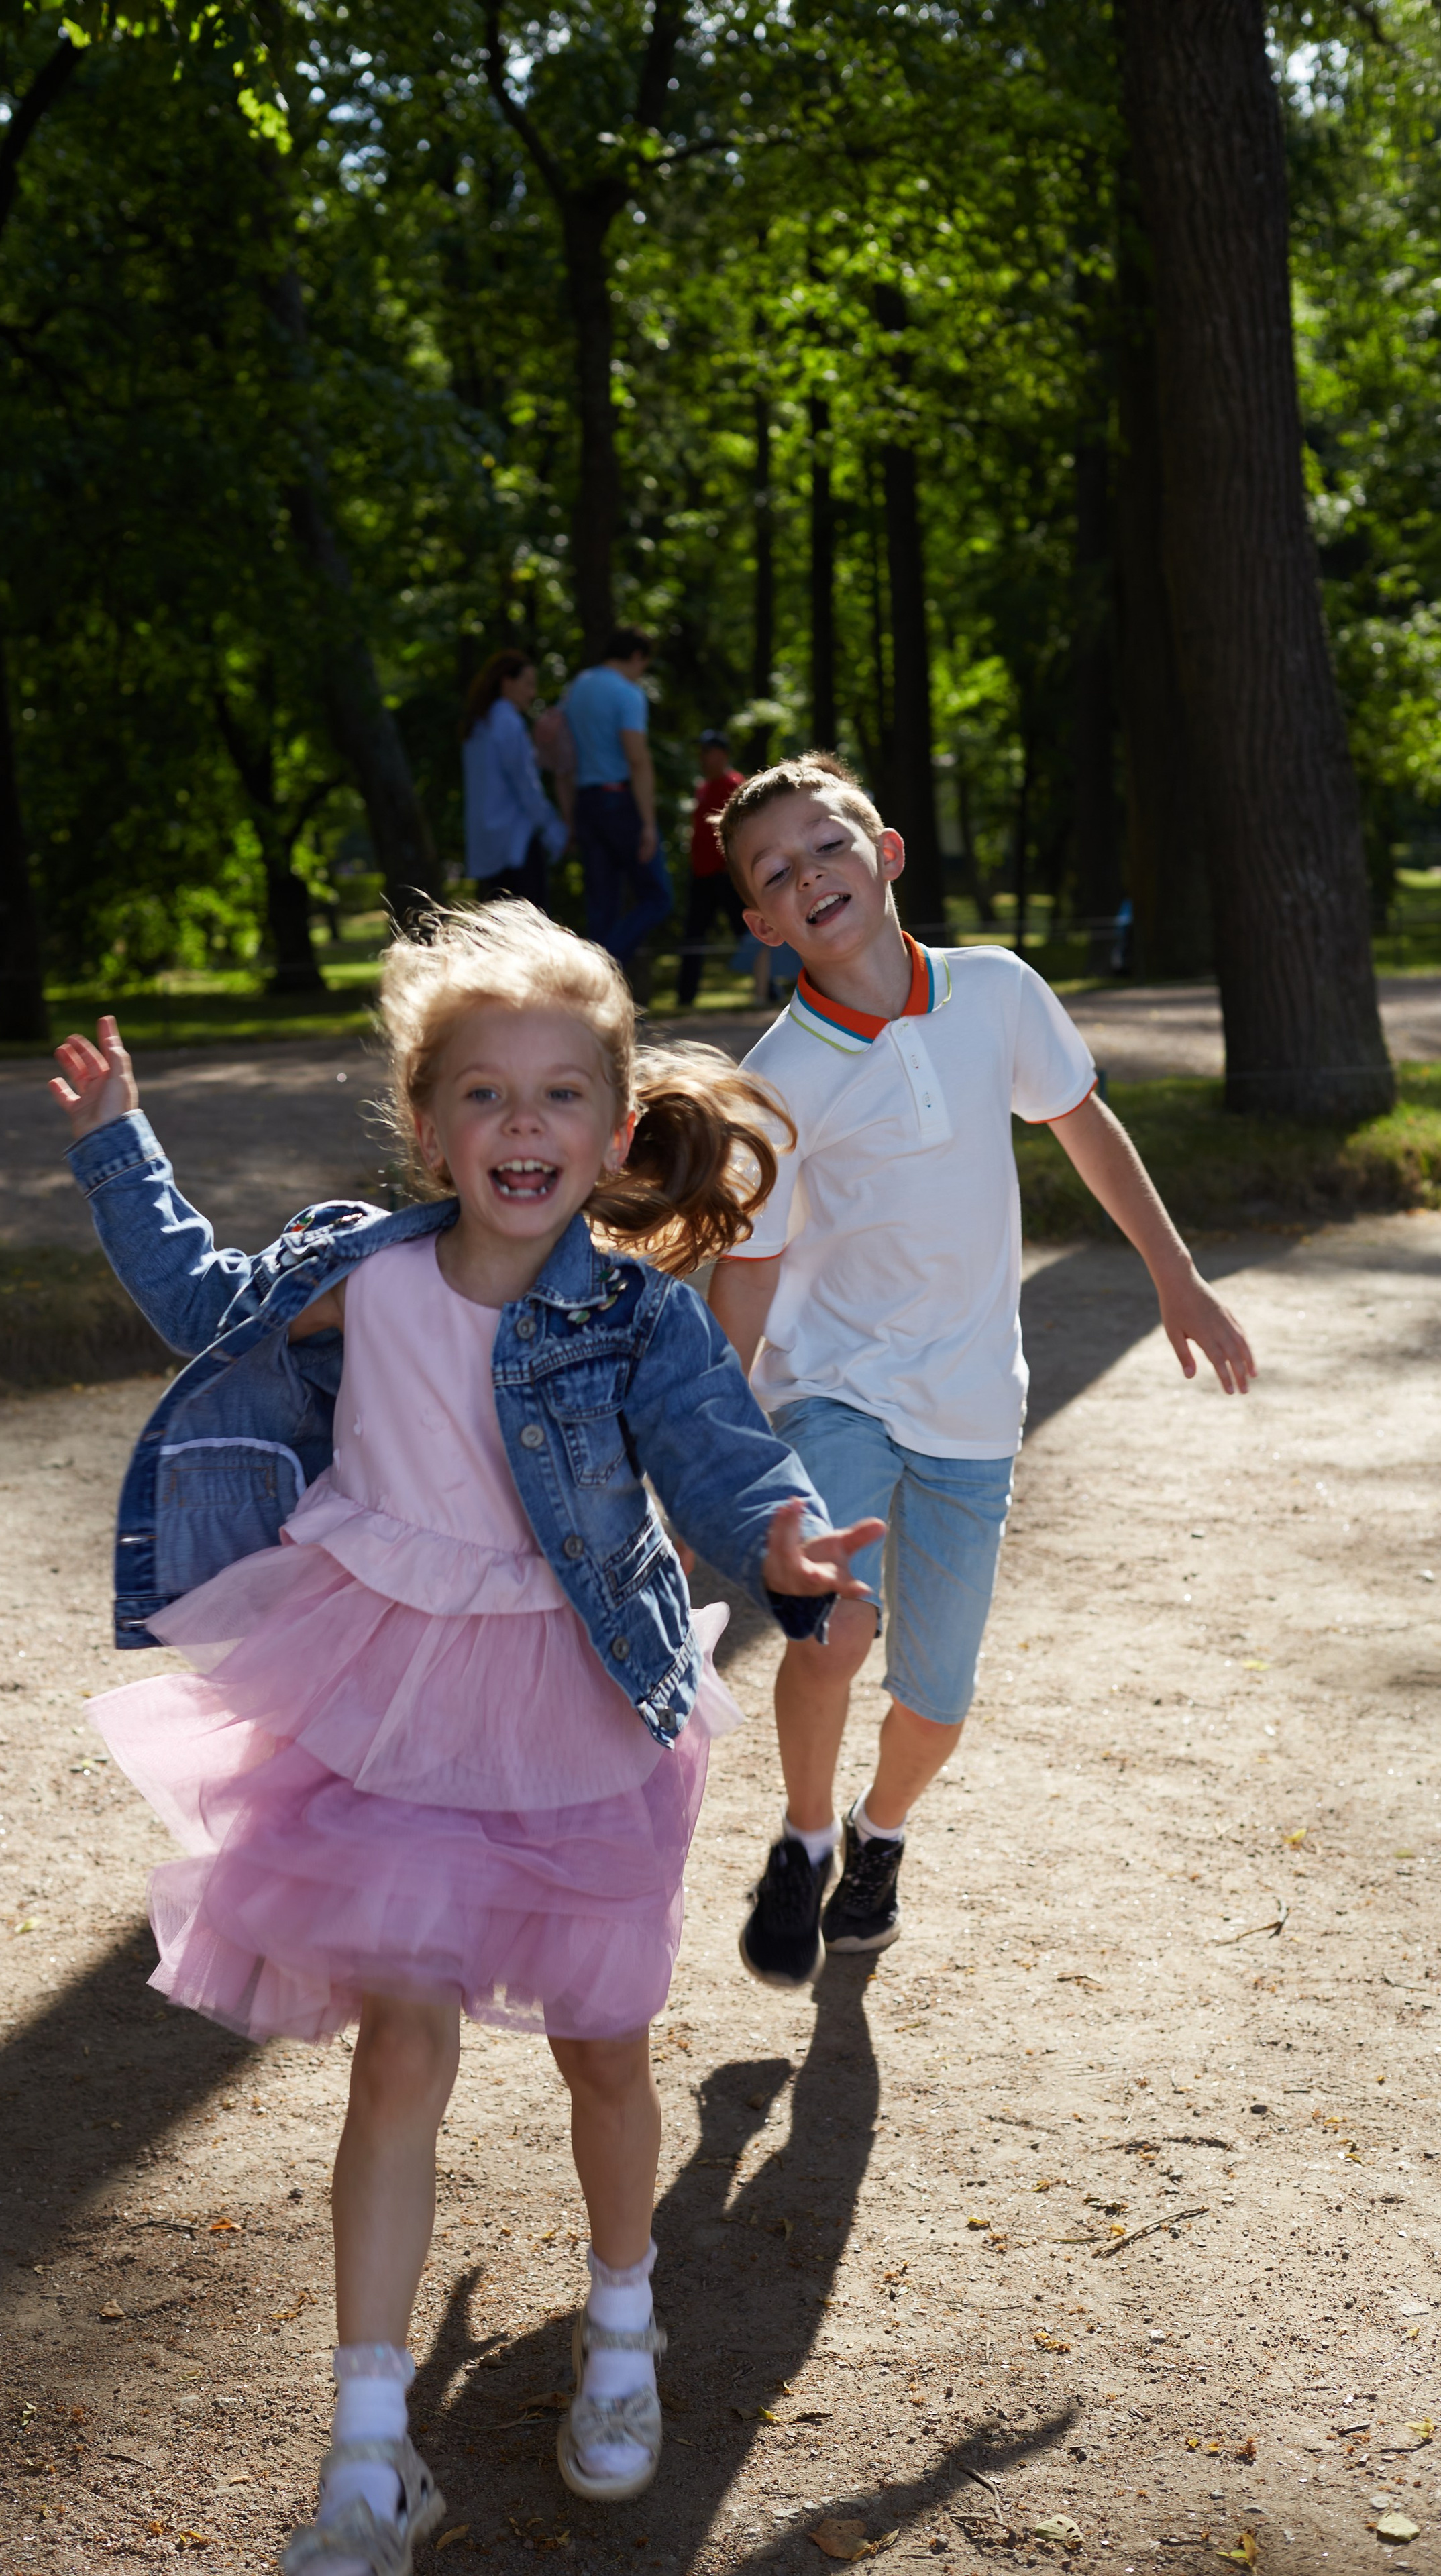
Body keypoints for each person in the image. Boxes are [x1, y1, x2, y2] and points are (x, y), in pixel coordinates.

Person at [48, 906, 880, 2576]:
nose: (522, 1127)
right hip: (378, 1695)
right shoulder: (359, 1266)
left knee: (600, 2049)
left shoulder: (632, 1318)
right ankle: (371, 2454)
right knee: (399, 2052)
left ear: (615, 1128)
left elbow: (719, 1449)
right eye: (484, 1095)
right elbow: (196, 1298)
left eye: (559, 1095)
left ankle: (623, 2326)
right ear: (427, 1124)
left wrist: (783, 1536)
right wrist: (115, 1143)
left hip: (573, 1703)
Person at [706, 753, 1258, 1990]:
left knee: (938, 1701)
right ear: (762, 924)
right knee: (833, 1624)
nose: (810, 876)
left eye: (827, 847)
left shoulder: (998, 992)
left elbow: (1082, 1124)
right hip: (833, 1384)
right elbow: (746, 1272)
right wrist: (707, 1446)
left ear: (888, 853)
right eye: (776, 873)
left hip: (971, 1403)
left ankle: (876, 1837)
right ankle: (802, 1839)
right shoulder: (775, 1082)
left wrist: (1176, 1274)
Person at [563, 626, 674, 978]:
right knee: (658, 897)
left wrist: (569, 818)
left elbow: (563, 758)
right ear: (638, 657)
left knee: (601, 908)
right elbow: (637, 759)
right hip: (619, 802)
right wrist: (648, 824)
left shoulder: (576, 688)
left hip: (585, 802)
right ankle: (601, 966)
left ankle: (595, 997)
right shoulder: (627, 694)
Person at [460, 651, 568, 906]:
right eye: (528, 684)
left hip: (488, 844)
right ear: (507, 682)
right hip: (516, 842)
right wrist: (553, 828)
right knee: (531, 927)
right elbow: (525, 785)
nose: (532, 694)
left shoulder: (477, 725)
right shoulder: (507, 720)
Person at [673, 729, 747, 1008]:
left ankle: (770, 990)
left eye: (707, 751)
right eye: (701, 752)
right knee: (693, 937)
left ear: (722, 754)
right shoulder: (702, 787)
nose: (702, 758)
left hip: (726, 876)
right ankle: (685, 998)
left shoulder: (735, 784)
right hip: (701, 875)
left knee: (745, 932)